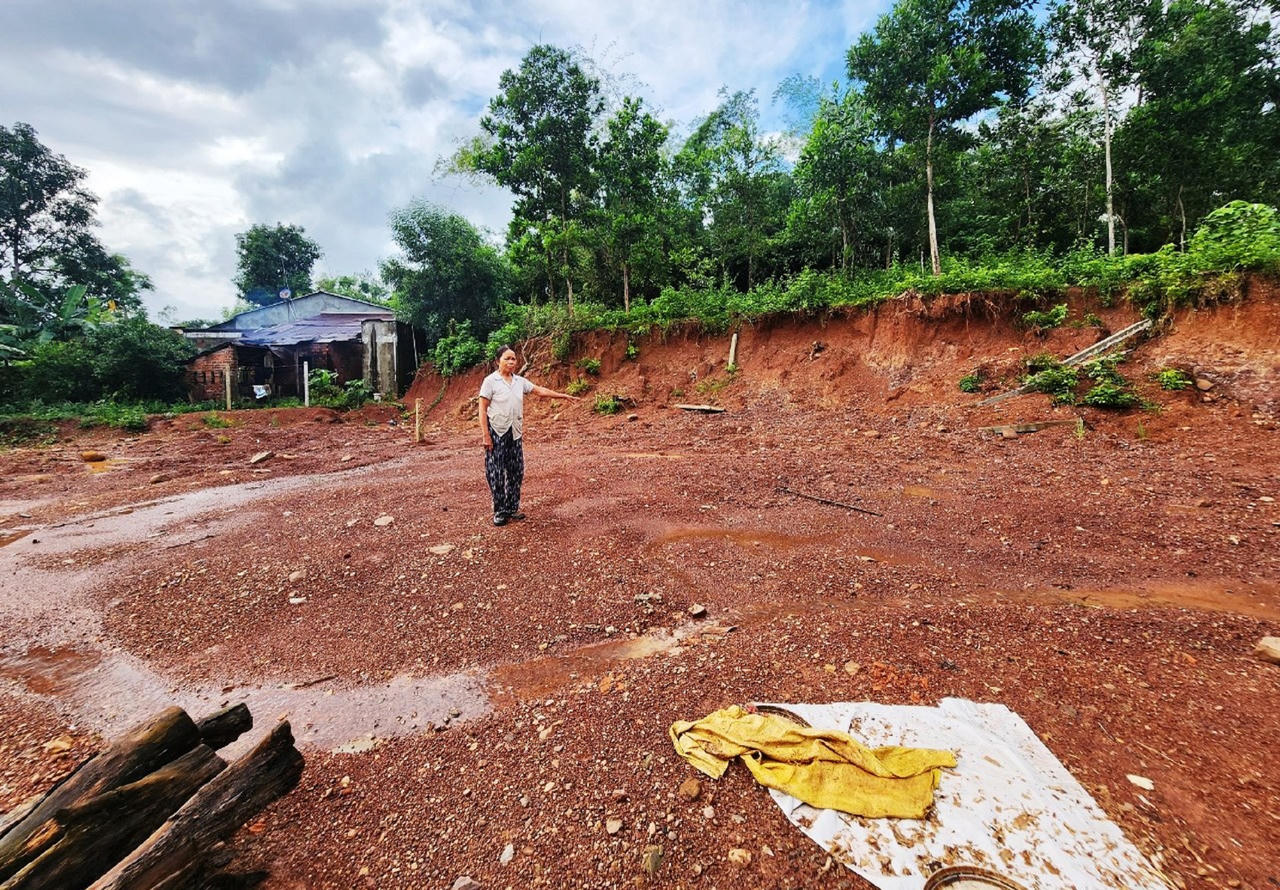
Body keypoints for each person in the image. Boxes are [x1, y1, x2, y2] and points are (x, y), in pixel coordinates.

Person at [478, 345, 581, 526]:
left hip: (515, 433)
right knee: (496, 473)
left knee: (516, 471)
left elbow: (539, 391)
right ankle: (500, 511)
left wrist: (563, 396)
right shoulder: (490, 381)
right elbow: (482, 408)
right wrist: (486, 435)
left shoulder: (519, 381)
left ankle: (512, 507)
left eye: (514, 359)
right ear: (497, 361)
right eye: (507, 358)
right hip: (497, 432)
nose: (511, 361)